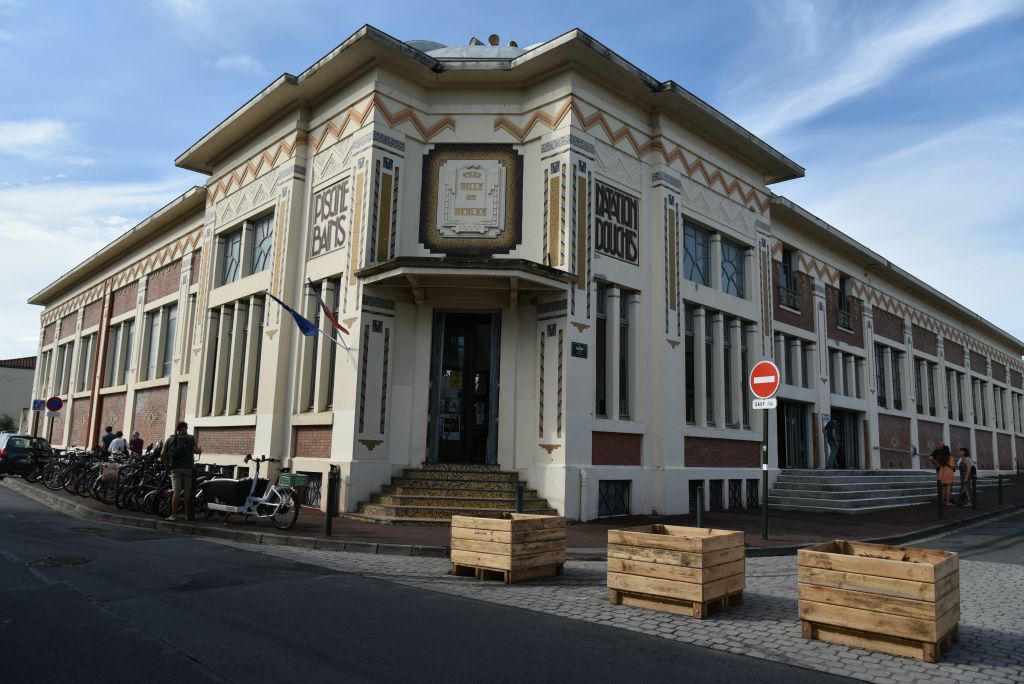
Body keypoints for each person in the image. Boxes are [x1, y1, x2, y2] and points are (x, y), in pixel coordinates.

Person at [163, 421, 202, 522]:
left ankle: (174, 516)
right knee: (187, 492)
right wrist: (200, 451)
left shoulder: (170, 439)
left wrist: (167, 466)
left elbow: (163, 453)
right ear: (184, 428)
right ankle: (188, 516)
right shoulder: (190, 438)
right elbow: (196, 450)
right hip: (188, 468)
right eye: (186, 428)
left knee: (176, 491)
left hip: (175, 468)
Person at [930, 442, 955, 506]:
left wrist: (937, 464)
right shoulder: (950, 457)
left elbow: (937, 463)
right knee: (948, 488)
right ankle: (948, 502)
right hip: (948, 473)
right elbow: (952, 466)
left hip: (942, 473)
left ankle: (942, 501)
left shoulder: (940, 457)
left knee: (943, 488)